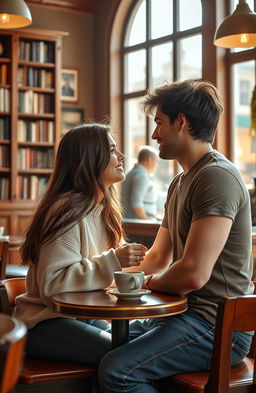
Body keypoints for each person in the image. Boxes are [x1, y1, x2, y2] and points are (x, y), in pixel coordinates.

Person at [99, 80, 254, 393]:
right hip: (184, 315)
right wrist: (108, 281)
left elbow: (194, 274)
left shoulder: (216, 176)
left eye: (159, 123)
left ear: (181, 122)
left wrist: (149, 283)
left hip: (216, 326)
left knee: (117, 371)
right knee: (99, 340)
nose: (154, 134)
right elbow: (158, 257)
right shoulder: (181, 182)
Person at [13, 123, 147, 366]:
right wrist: (114, 260)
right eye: (112, 150)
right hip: (45, 322)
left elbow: (111, 273)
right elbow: (53, 286)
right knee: (128, 358)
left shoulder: (104, 210)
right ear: (89, 158)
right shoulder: (66, 210)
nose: (122, 156)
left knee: (147, 340)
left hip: (83, 317)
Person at [121, 146, 159, 219]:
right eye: (156, 161)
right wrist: (146, 220)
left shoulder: (131, 173)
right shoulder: (142, 175)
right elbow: (136, 203)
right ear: (149, 160)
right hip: (138, 223)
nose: (156, 165)